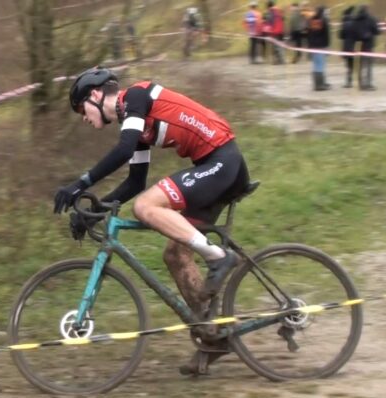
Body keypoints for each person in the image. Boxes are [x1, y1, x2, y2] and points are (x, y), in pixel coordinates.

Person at [54, 67, 251, 375]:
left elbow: (123, 150)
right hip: (214, 167)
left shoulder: (135, 98)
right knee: (175, 254)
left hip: (221, 160)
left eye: (81, 109)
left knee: (145, 207)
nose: (83, 117)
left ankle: (219, 257)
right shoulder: (136, 124)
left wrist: (80, 184)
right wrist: (97, 210)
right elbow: (134, 182)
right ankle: (213, 336)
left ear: (95, 95)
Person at [352, 5, 380, 91]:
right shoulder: (371, 19)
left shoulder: (355, 19)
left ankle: (361, 83)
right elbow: (376, 31)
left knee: (360, 65)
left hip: (358, 45)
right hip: (368, 45)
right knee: (368, 65)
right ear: (367, 10)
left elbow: (353, 31)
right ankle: (368, 84)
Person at [307, 6, 331, 91]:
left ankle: (317, 84)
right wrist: (328, 45)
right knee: (321, 64)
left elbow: (309, 34)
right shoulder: (324, 20)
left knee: (316, 64)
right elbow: (327, 34)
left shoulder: (311, 20)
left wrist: (309, 45)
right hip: (321, 46)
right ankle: (320, 85)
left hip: (313, 46)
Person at [339, 6, 357, 88]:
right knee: (353, 64)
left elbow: (340, 36)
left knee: (348, 65)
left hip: (346, 46)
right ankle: (353, 80)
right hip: (354, 46)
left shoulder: (344, 23)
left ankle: (348, 81)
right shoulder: (354, 22)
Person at [265, 0, 286, 64]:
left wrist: (267, 32)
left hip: (274, 32)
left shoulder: (270, 12)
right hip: (281, 30)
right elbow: (283, 18)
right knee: (281, 45)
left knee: (275, 46)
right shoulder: (279, 10)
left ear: (268, 6)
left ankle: (277, 61)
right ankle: (282, 60)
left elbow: (269, 22)